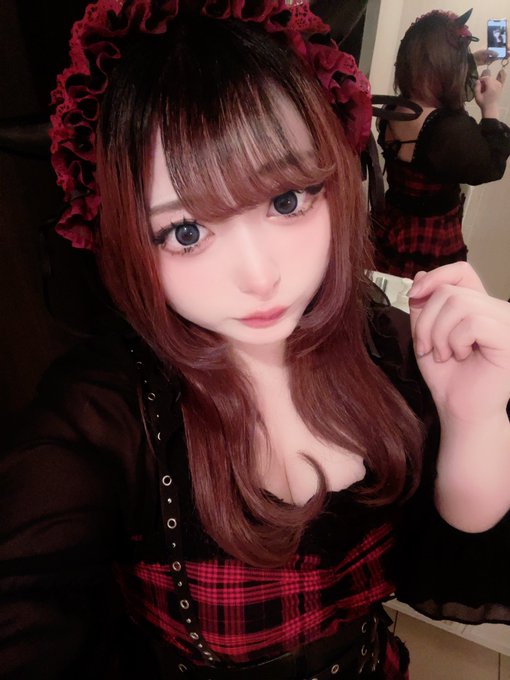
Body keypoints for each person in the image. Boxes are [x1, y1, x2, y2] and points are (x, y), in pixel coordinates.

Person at [1, 1, 510, 679]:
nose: (260, 276)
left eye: (287, 200)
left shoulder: (386, 347)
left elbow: (452, 551)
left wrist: (475, 420)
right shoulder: (106, 416)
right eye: (186, 232)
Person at [373, 9, 510, 279]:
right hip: (432, 242)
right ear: (448, 68)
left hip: (392, 228)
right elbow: (491, 167)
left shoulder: (394, 109)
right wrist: (491, 108)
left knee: (392, 296)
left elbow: (431, 83)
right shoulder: (448, 129)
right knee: (424, 300)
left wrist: (473, 59)